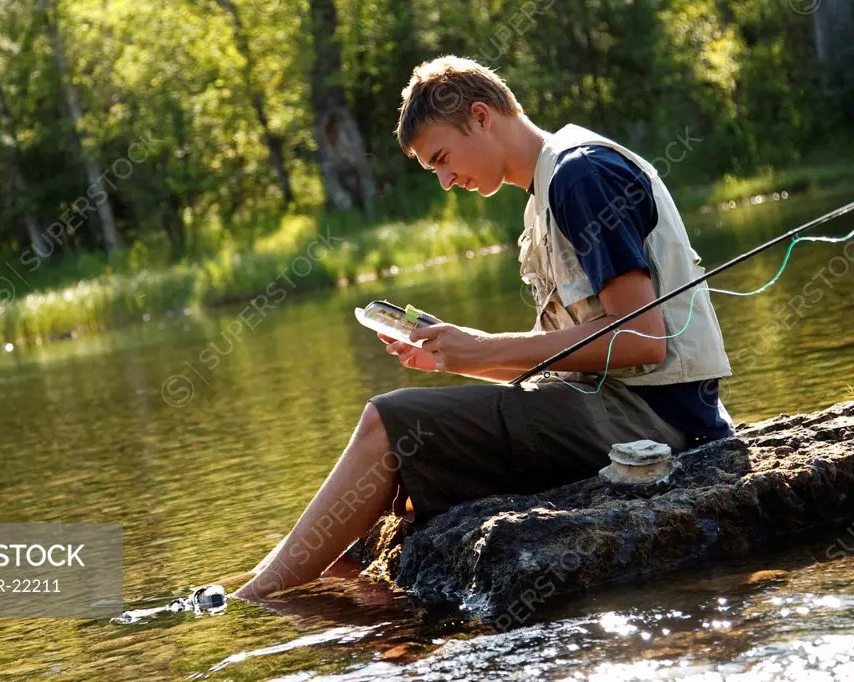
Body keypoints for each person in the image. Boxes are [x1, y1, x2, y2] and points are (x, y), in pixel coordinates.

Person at [232, 55, 733, 602]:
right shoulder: (545, 192)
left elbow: (641, 341)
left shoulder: (581, 174)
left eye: (443, 158)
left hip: (660, 420)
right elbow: (580, 353)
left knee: (388, 421)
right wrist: (458, 354)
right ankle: (281, 593)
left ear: (481, 116)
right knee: (367, 523)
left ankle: (254, 603)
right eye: (434, 171)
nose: (446, 181)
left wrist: (485, 347)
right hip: (618, 409)